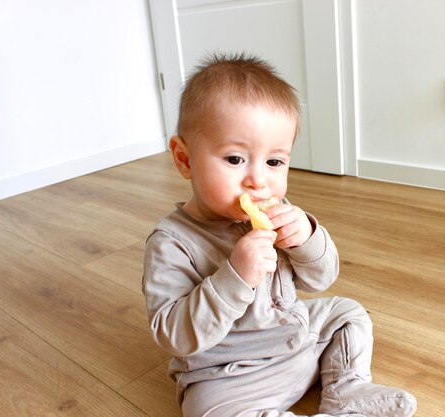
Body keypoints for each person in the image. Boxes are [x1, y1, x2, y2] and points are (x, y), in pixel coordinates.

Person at [142, 53, 417, 417]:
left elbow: (321, 280)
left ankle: (346, 390)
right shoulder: (171, 242)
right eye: (235, 159)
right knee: (204, 411)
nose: (258, 180)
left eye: (274, 162)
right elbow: (173, 335)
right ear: (185, 159)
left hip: (298, 342)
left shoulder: (279, 211)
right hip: (230, 377)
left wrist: (306, 239)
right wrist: (234, 277)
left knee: (347, 313)